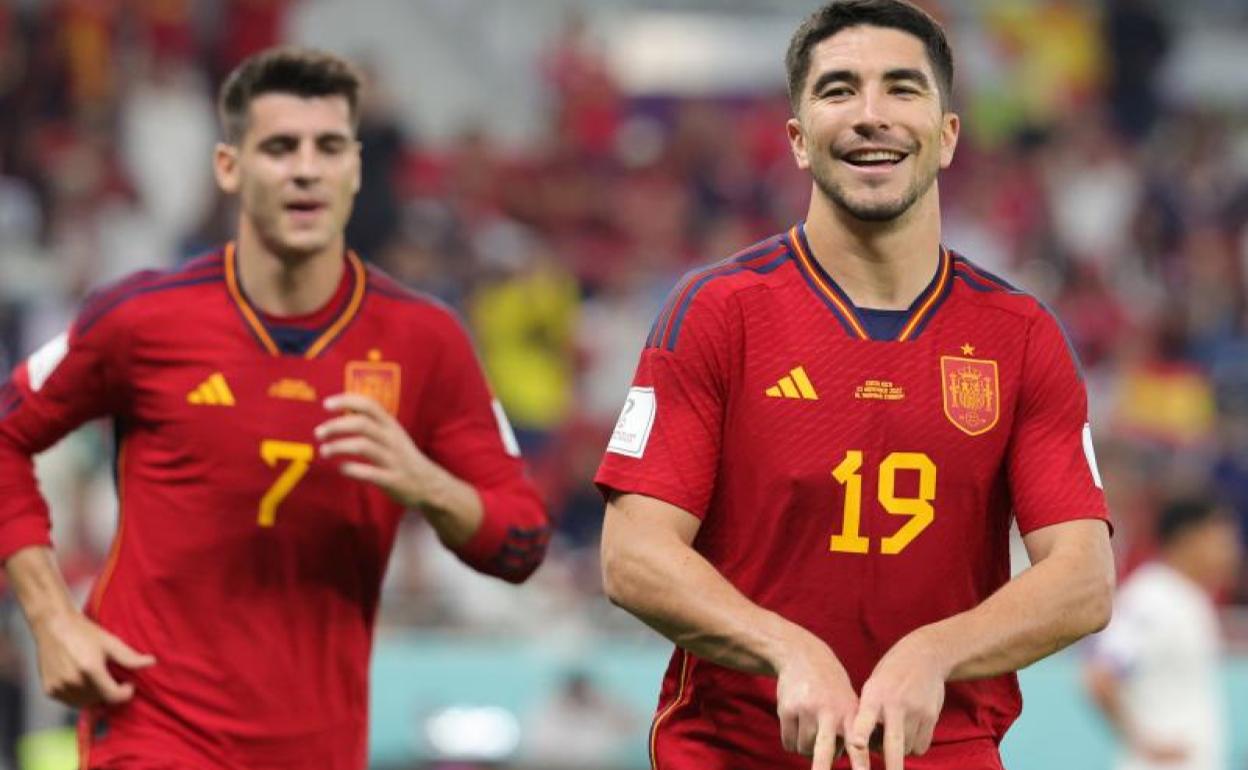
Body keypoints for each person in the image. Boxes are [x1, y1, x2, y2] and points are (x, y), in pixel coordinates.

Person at [595, 2, 1115, 769]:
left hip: (940, 752)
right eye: (839, 90)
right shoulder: (716, 313)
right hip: (737, 751)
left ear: (946, 137)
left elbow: (1083, 580)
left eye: (902, 89)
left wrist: (937, 653)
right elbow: (631, 555)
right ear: (799, 141)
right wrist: (784, 648)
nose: (872, 116)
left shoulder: (1021, 335)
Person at [0, 47, 549, 770]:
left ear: (354, 169)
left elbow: (523, 540)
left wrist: (428, 485)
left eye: (328, 148)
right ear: (230, 167)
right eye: (279, 147)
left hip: (318, 743)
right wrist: (48, 615)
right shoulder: (140, 319)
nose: (305, 169)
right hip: (154, 729)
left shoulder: (426, 341)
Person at [1084, 498, 1239, 770]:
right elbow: (1100, 677)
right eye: (1220, 537)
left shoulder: (1189, 597)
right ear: (1189, 539)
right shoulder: (1151, 596)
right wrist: (1144, 742)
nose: (1230, 550)